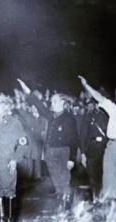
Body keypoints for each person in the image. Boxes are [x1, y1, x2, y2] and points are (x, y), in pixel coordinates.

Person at [19, 79, 78, 209]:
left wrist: (72, 158)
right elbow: (38, 104)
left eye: (55, 101)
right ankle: (60, 201)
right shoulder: (52, 115)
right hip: (50, 152)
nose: (52, 103)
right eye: (52, 101)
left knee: (64, 178)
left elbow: (74, 139)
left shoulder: (69, 118)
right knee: (56, 178)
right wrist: (27, 90)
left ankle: (67, 206)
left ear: (63, 103)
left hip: (63, 151)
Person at [0, 94, 28, 222]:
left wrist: (15, 159)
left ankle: (10, 221)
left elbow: (23, 143)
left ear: (6, 107)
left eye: (0, 104)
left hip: (6, 160)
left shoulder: (14, 122)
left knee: (9, 189)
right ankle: (1, 219)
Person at [79, 99, 109, 200]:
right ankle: (95, 198)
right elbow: (83, 136)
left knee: (103, 176)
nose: (91, 107)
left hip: (104, 150)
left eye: (93, 105)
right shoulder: (87, 117)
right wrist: (83, 152)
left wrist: (104, 140)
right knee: (92, 176)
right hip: (91, 150)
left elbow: (110, 133)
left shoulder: (106, 116)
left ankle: (102, 199)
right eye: (89, 106)